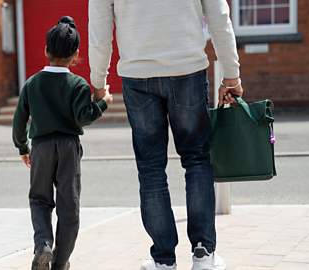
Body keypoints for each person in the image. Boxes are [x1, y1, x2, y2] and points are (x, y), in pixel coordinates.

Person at [88, 1, 243, 270]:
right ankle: (204, 254)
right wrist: (231, 75)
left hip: (137, 76)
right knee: (196, 159)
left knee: (150, 168)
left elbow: (99, 31)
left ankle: (163, 260)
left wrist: (99, 82)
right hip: (187, 71)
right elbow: (220, 17)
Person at [12, 16, 113, 270]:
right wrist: (104, 102)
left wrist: (23, 148)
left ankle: (43, 244)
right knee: (69, 205)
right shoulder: (78, 84)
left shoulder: (32, 83)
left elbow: (19, 120)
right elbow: (85, 116)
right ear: (76, 54)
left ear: (46, 51)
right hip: (68, 147)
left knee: (39, 200)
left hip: (41, 148)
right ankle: (60, 261)